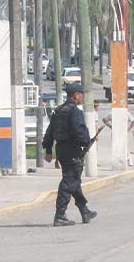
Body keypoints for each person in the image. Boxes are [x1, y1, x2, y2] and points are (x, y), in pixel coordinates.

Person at [42, 83, 98, 227]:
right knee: (69, 182)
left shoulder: (58, 110)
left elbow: (49, 132)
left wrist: (48, 150)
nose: (82, 97)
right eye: (81, 94)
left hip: (61, 150)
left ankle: (85, 211)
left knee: (74, 181)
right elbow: (80, 130)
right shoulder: (75, 112)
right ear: (76, 95)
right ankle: (60, 215)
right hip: (72, 150)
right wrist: (86, 142)